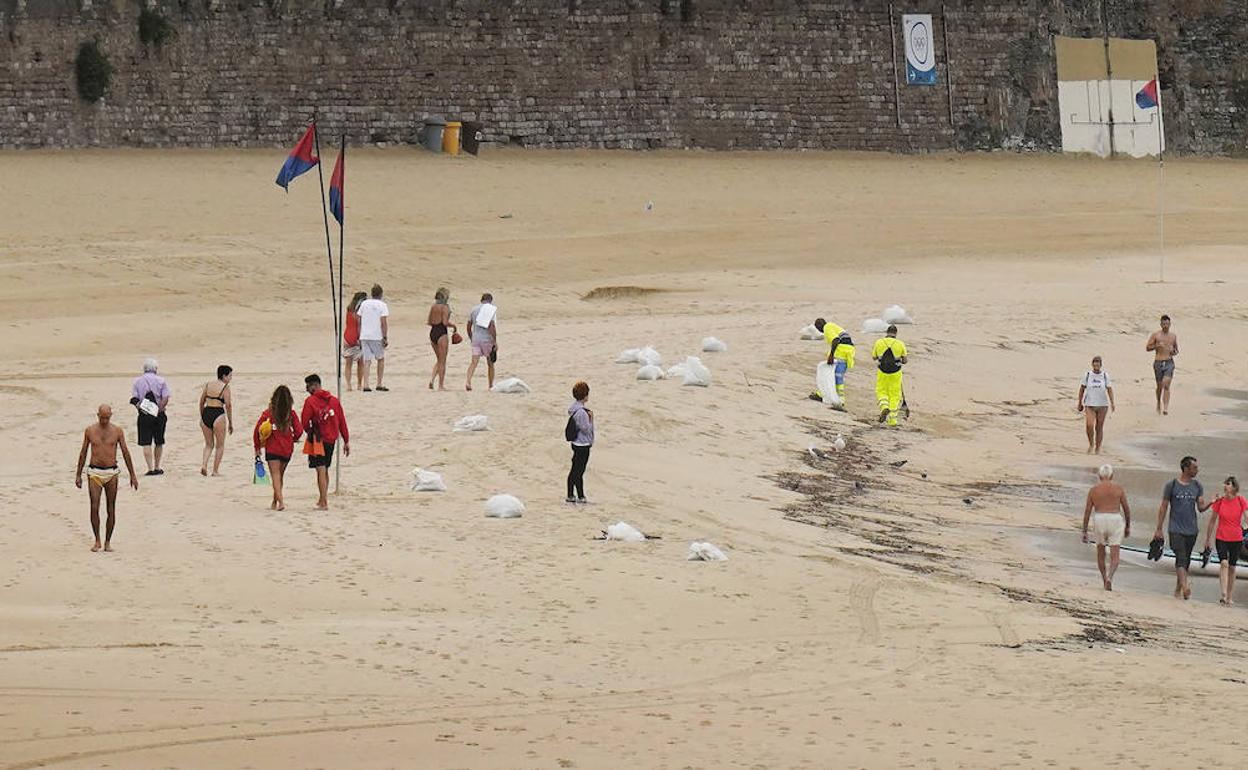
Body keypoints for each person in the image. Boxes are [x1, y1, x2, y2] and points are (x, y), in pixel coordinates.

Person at [75, 405, 139, 552]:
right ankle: (97, 539)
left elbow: (125, 452)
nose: (104, 420)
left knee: (111, 508)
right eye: (102, 417)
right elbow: (83, 452)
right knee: (94, 507)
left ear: (111, 416)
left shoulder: (117, 431)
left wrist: (132, 475)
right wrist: (78, 475)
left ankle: (108, 541)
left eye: (107, 418)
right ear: (97, 415)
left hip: (111, 473)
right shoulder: (90, 430)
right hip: (94, 473)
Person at [1153, 455, 1210, 600]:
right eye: (1194, 467)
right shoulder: (1171, 485)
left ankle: (1178, 589)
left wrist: (1212, 503)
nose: (1197, 470)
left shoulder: (1197, 486)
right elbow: (1163, 507)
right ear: (1186, 468)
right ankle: (1185, 587)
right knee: (1180, 557)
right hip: (1175, 528)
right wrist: (1159, 528)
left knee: (1186, 560)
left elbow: (1201, 507)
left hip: (1192, 529)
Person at [301, 374, 350, 510]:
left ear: (315, 385)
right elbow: (342, 421)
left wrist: (310, 432)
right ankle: (323, 498)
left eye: (308, 386)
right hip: (331, 440)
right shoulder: (334, 401)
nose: (307, 389)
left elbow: (304, 421)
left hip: (318, 439)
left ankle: (324, 501)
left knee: (320, 470)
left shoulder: (310, 401)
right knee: (325, 469)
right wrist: (346, 440)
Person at [1081, 464, 1131, 591]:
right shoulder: (1118, 489)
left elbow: (1087, 511)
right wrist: (1128, 526)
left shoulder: (1093, 490)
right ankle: (1110, 577)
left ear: (1099, 476)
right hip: (1115, 518)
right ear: (1112, 476)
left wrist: (1084, 530)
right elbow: (1126, 509)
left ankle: (1104, 579)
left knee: (1101, 553)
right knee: (1115, 555)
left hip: (1099, 518)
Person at [253, 385, 303, 511]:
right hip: (287, 449)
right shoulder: (291, 414)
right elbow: (299, 430)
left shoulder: (268, 413)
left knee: (275, 475)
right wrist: (294, 438)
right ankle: (275, 501)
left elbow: (257, 430)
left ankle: (280, 502)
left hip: (272, 448)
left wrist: (257, 446)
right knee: (280, 476)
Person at [1204, 476, 1247, 604]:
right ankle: (1223, 594)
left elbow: (1246, 516)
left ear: (1234, 487)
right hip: (1221, 536)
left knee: (1232, 567)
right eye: (1225, 483)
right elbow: (1212, 521)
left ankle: (1229, 596)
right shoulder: (1220, 501)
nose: (1225, 486)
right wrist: (1207, 539)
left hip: (1236, 538)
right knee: (1224, 563)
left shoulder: (1241, 500)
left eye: (1228, 484)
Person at [130, 357, 170, 476]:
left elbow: (135, 398)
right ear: (155, 369)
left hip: (144, 415)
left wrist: (143, 409)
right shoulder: (161, 381)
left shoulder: (137, 381)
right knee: (159, 441)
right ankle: (157, 466)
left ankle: (150, 468)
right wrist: (159, 410)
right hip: (159, 414)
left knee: (146, 442)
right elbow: (166, 397)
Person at [197, 364, 234, 477]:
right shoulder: (225, 387)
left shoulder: (208, 385)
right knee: (220, 445)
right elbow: (228, 405)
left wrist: (202, 415)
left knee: (208, 444)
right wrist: (230, 423)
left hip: (207, 412)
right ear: (224, 376)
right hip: (218, 414)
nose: (231, 378)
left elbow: (201, 401)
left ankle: (204, 465)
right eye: (230, 376)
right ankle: (215, 471)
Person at [813, 318, 855, 408]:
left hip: (842, 351)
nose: (820, 331)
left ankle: (840, 401)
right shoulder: (832, 326)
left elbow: (835, 340)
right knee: (834, 375)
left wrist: (831, 355)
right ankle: (821, 394)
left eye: (818, 328)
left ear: (819, 326)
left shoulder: (827, 327)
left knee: (836, 376)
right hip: (847, 351)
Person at [1076, 356, 1115, 454]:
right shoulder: (1088, 375)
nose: (1096, 364)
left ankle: (1098, 447)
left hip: (1102, 404)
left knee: (1099, 427)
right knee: (1089, 425)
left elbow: (1109, 389)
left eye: (1098, 363)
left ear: (1101, 365)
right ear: (1092, 364)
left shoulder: (1105, 375)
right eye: (1095, 362)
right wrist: (1079, 402)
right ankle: (1091, 444)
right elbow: (1082, 389)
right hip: (1090, 404)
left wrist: (1112, 402)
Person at [872, 325, 908, 427]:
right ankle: (893, 421)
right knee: (895, 395)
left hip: (882, 372)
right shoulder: (900, 344)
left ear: (886, 332)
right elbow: (905, 360)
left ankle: (884, 407)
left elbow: (874, 357)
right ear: (896, 333)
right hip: (895, 373)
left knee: (881, 391)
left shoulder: (879, 342)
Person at [357, 284, 390, 392]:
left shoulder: (364, 304)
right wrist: (385, 336)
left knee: (367, 360)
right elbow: (383, 322)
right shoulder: (382, 305)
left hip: (364, 335)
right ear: (381, 294)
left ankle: (365, 384)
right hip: (376, 335)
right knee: (380, 359)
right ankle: (379, 383)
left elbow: (359, 319)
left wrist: (359, 333)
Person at [566, 381, 594, 504]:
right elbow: (586, 429)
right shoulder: (582, 412)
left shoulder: (574, 409)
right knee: (579, 471)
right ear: (585, 395)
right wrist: (591, 418)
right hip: (582, 445)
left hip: (576, 443)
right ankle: (580, 495)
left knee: (574, 470)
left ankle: (571, 494)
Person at [1146, 314, 1178, 415]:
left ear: (1170, 324)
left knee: (1166, 384)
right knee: (1159, 386)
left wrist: (1173, 351)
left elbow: (1176, 350)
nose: (1165, 326)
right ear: (1161, 324)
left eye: (1167, 324)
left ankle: (1165, 408)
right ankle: (1158, 402)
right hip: (1158, 362)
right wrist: (1156, 345)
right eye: (1163, 324)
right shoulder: (1156, 335)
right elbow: (1147, 348)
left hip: (1169, 362)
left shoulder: (1173, 336)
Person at [465, 292, 498, 391]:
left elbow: (469, 325)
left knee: (473, 362)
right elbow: (491, 326)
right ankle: (490, 385)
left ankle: (468, 381)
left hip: (476, 338)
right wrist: (495, 341)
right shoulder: (490, 310)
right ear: (490, 300)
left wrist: (471, 336)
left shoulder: (474, 309)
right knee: (490, 363)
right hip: (486, 339)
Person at [427, 287, 458, 391]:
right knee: (442, 361)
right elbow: (445, 322)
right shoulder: (445, 307)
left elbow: (429, 322)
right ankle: (440, 385)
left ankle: (432, 380)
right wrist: (453, 326)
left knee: (439, 359)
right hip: (441, 332)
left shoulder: (433, 306)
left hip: (433, 332)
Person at [343, 291, 368, 391]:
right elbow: (359, 326)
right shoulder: (360, 311)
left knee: (348, 363)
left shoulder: (349, 309)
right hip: (357, 337)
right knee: (360, 363)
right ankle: (359, 384)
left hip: (347, 336)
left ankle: (349, 385)